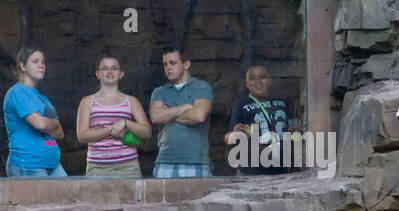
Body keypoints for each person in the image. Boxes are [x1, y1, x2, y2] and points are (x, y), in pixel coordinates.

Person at [75, 54, 152, 179]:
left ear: (121, 73)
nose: (109, 71)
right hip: (97, 167)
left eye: (114, 68)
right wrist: (110, 130)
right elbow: (82, 136)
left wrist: (125, 122)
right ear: (97, 74)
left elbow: (147, 132)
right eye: (104, 68)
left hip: (128, 166)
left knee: (130, 199)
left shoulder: (131, 101)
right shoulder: (87, 101)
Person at [3, 45, 68, 177]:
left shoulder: (43, 99)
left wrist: (46, 122)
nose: (41, 65)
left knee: (71, 196)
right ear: (23, 66)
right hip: (28, 165)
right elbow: (40, 124)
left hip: (53, 165)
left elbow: (60, 133)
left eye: (43, 62)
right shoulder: (17, 92)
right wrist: (52, 123)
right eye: (35, 61)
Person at [148, 46, 213, 178]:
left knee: (199, 200)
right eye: (165, 64)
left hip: (195, 161)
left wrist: (168, 112)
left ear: (186, 64)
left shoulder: (201, 87)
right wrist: (183, 108)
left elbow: (199, 116)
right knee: (159, 199)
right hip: (164, 161)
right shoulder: (160, 91)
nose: (168, 68)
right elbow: (155, 117)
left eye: (173, 63)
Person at [224, 64, 297, 175]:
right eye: (252, 78)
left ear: (269, 81)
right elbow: (227, 138)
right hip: (253, 167)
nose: (258, 81)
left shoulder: (282, 101)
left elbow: (292, 126)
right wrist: (237, 134)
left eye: (262, 77)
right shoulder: (240, 104)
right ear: (246, 83)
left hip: (282, 165)